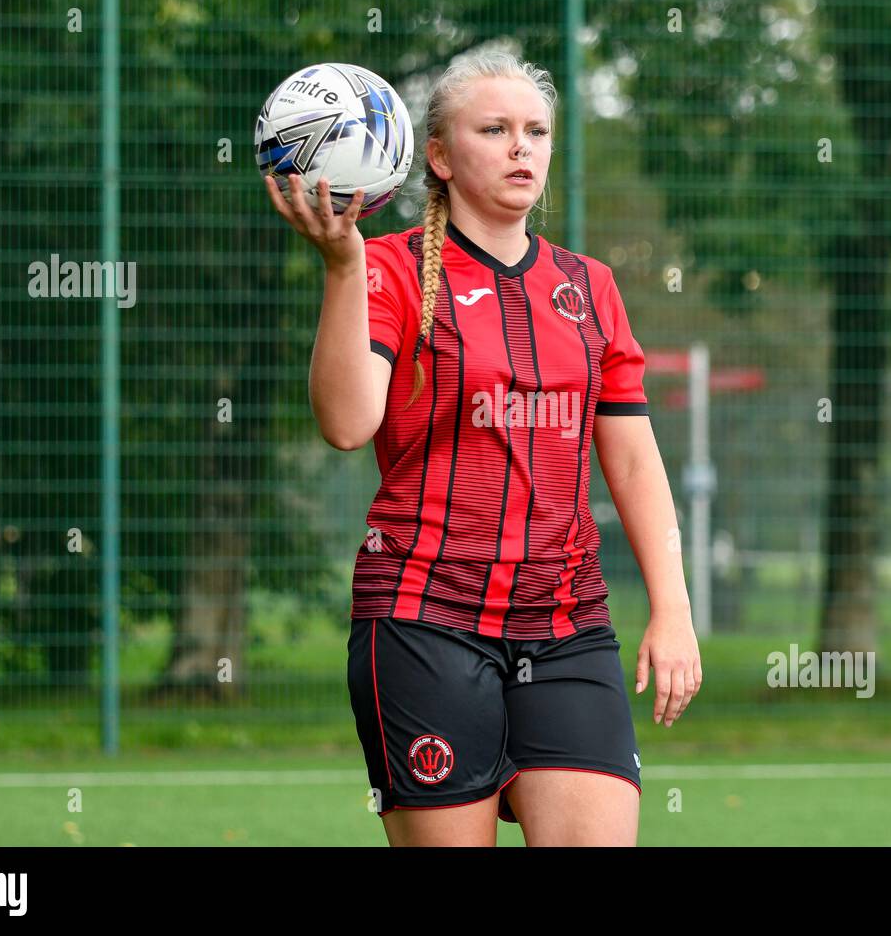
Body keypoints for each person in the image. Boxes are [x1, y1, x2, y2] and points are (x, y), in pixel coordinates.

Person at [264, 51, 701, 846]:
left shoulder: (590, 286)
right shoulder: (389, 268)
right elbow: (346, 423)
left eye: (536, 131)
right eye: (494, 130)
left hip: (566, 620)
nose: (521, 147)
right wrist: (340, 268)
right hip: (425, 616)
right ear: (438, 155)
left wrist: (672, 609)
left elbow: (635, 462)